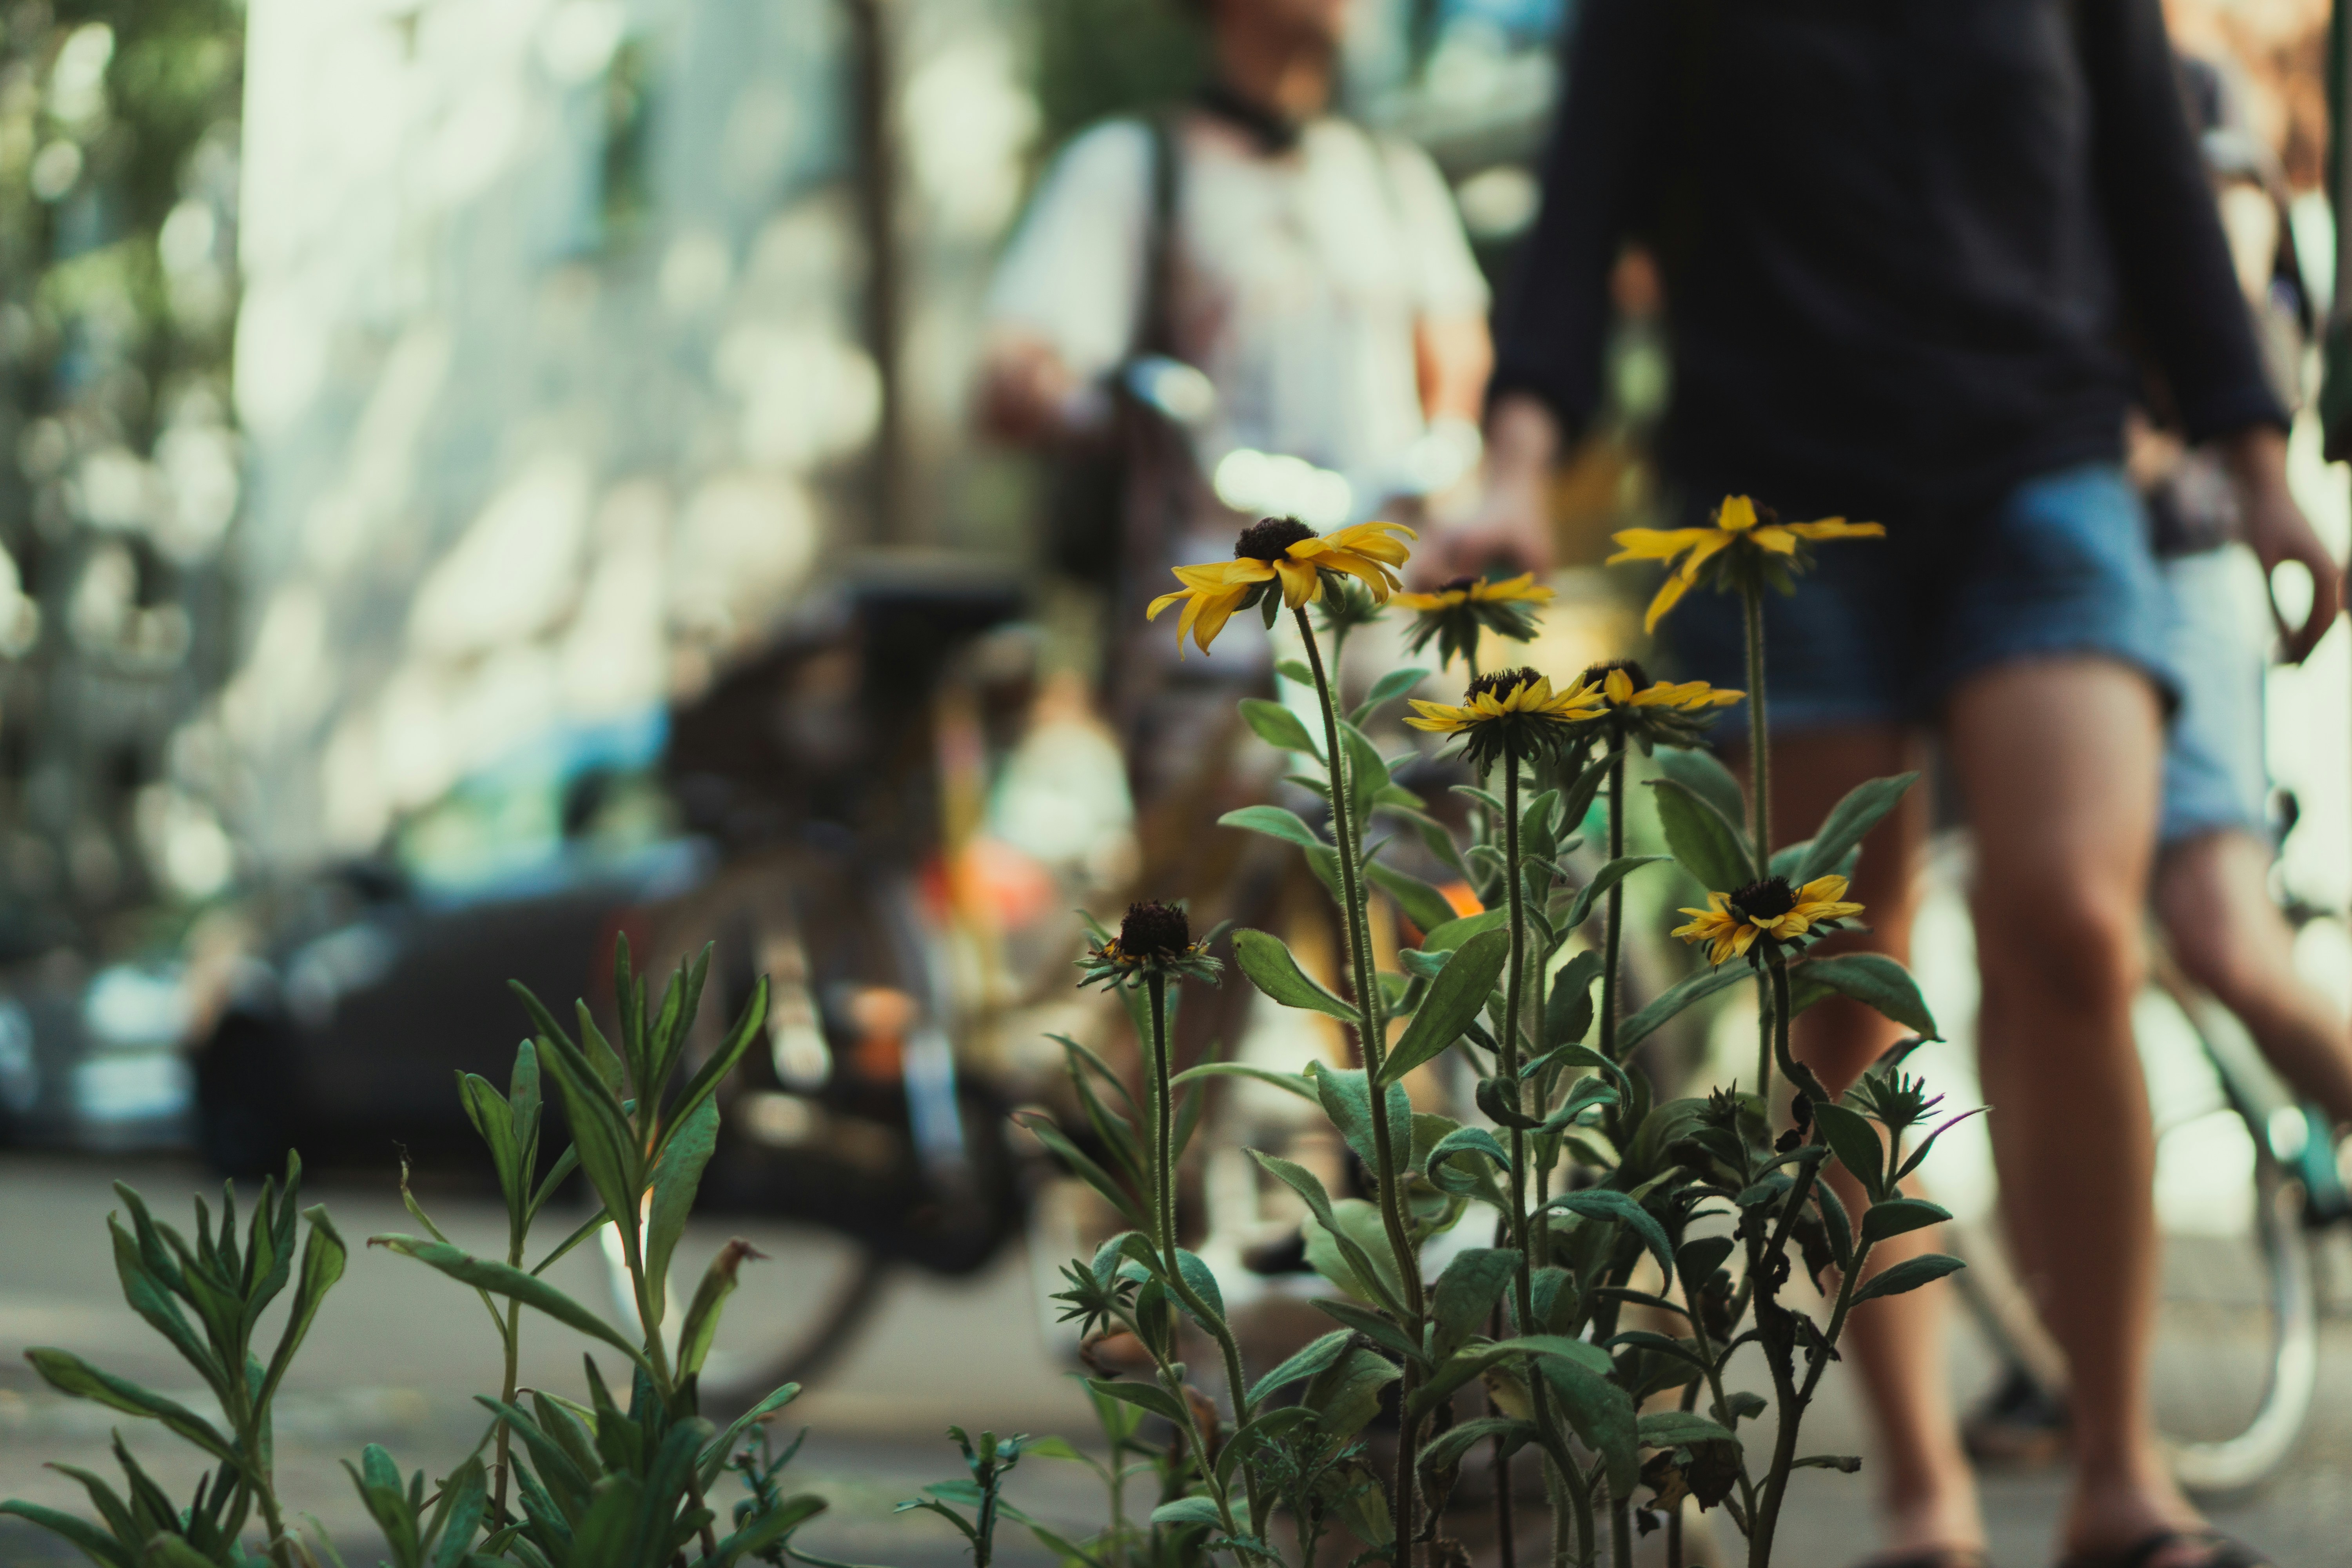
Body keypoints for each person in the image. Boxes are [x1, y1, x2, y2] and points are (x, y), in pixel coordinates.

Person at [1442, 4, 2344, 1567]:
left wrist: (2260, 463)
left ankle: (2119, 1477)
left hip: (2041, 473)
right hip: (1771, 507)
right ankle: (1925, 1493)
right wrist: (1519, 455)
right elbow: (1580, 208)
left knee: (2071, 920)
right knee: (1839, 1001)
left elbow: (2153, 181)